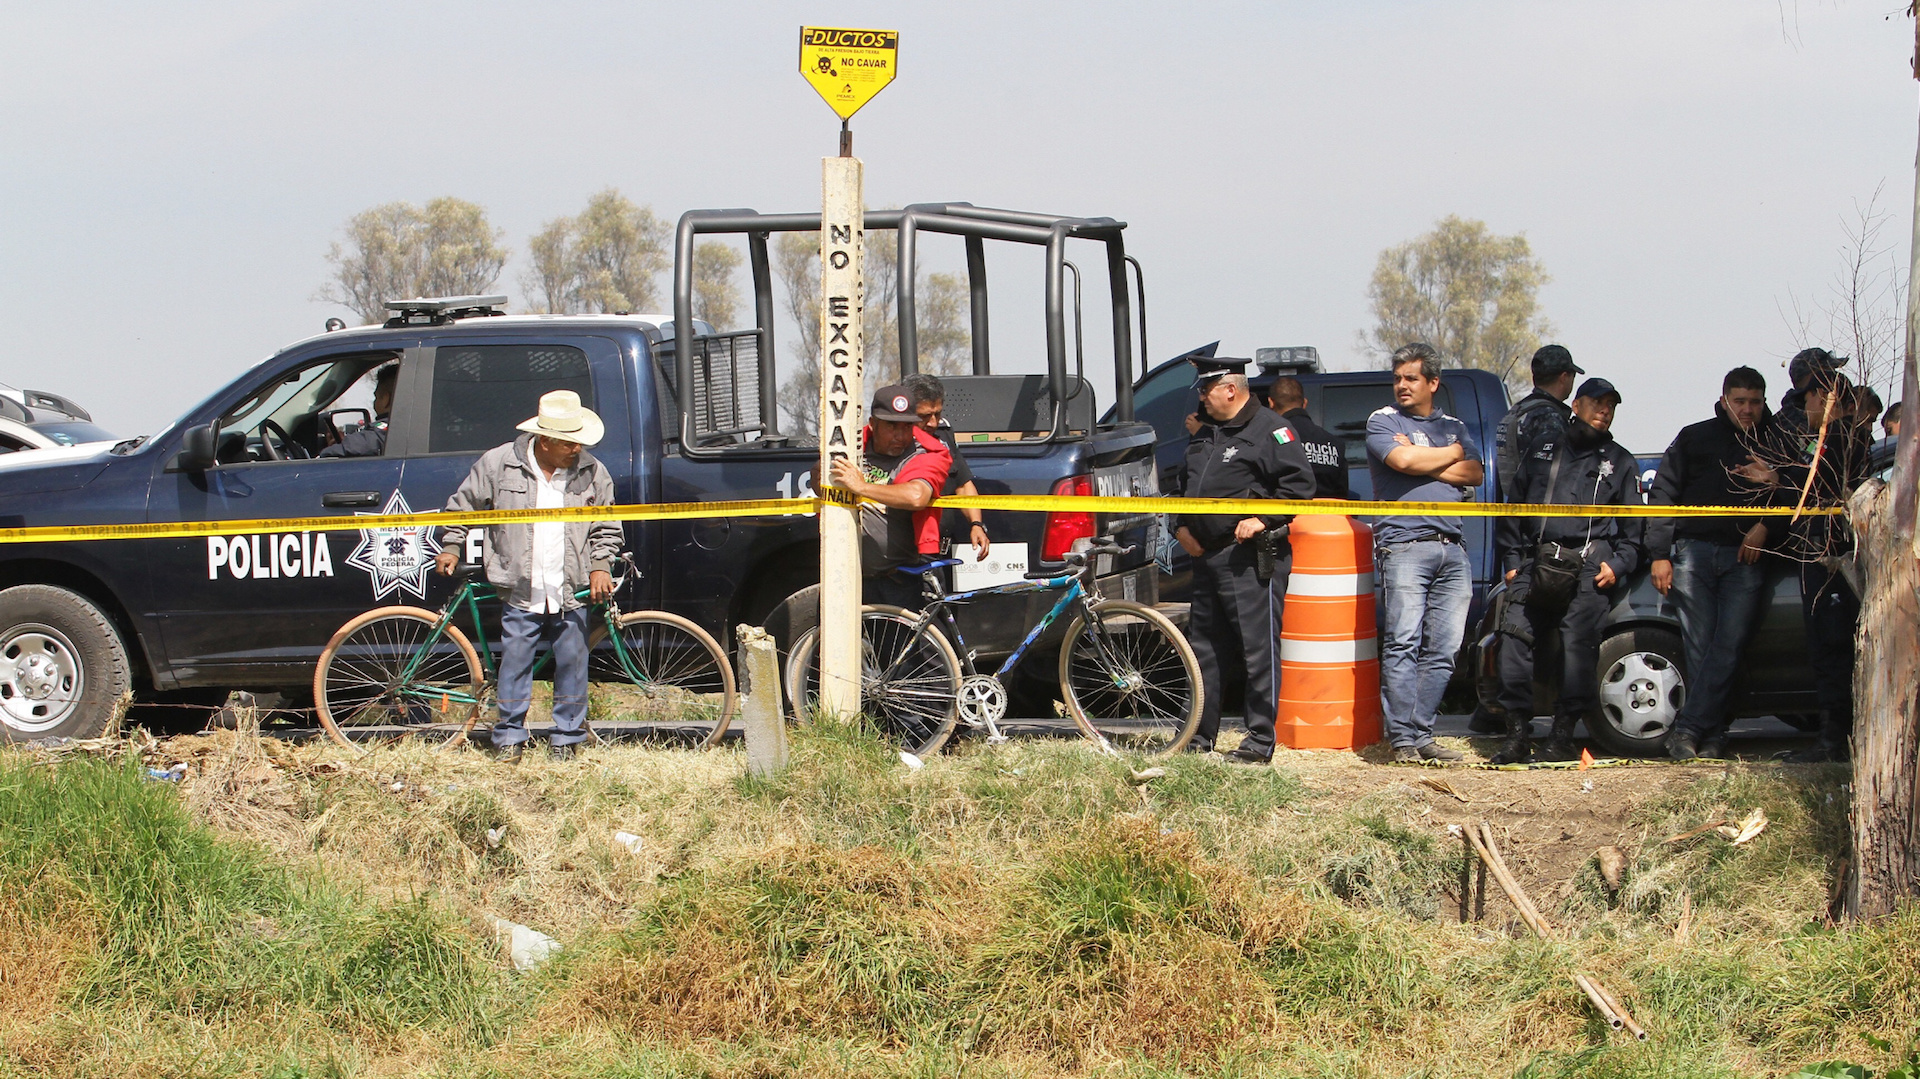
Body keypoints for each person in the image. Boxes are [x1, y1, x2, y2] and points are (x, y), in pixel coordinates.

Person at [433, 390, 620, 763]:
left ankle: (566, 739)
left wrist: (601, 564)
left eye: (579, 441)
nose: (576, 449)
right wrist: (452, 544)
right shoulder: (499, 464)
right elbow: (463, 505)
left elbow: (607, 525)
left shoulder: (593, 472)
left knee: (572, 663)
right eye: (568, 442)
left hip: (571, 587)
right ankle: (509, 738)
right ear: (545, 440)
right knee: (515, 662)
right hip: (520, 585)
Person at [1488, 378, 1643, 764]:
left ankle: (1562, 735)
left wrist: (1617, 565)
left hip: (1589, 566)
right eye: (1597, 402)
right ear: (1576, 405)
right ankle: (1517, 734)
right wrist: (1511, 563)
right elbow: (1513, 509)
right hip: (1537, 561)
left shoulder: (1620, 461)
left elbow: (1635, 531)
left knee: (1578, 646)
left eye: (1611, 405)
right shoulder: (1544, 449)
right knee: (1513, 638)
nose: (1604, 410)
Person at [1173, 356, 1317, 763]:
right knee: (1203, 651)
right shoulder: (1206, 432)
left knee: (1258, 652)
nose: (1202, 398)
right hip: (1206, 555)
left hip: (1249, 558)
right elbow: (1185, 486)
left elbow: (1299, 488)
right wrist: (1180, 527)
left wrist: (1262, 519)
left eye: (1207, 390)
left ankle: (1258, 742)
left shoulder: (1271, 430)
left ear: (1231, 390)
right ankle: (1197, 737)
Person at [1647, 367, 1782, 761]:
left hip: (1746, 558)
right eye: (1740, 401)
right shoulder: (1695, 436)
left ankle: (1689, 730)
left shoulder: (1777, 441)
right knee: (1702, 647)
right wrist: (1659, 554)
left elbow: (1798, 491)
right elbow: (1663, 494)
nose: (1748, 409)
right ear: (1724, 400)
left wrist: (1765, 526)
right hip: (1695, 552)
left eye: (1755, 402)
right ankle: (1714, 734)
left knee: (1730, 645)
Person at [1735, 367, 1869, 762]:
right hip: (1815, 556)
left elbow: (1816, 481)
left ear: (1823, 397)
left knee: (1833, 648)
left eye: (1806, 399)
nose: (1804, 409)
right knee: (1824, 648)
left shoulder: (1845, 438)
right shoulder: (1822, 441)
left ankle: (1834, 739)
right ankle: (1832, 734)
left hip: (1832, 559)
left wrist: (1776, 476)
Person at [1366, 343, 1485, 763]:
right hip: (1404, 544)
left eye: (1411, 378)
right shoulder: (1383, 420)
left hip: (1452, 547)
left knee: (1446, 648)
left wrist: (1427, 459)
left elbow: (1475, 472)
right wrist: (1449, 455)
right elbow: (1401, 460)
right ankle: (1402, 739)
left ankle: (1421, 734)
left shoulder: (1454, 425)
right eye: (1397, 378)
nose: (1402, 385)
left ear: (1433, 383)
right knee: (1403, 641)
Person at [828, 383, 952, 609]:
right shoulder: (849, 446)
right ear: (873, 424)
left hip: (897, 582)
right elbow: (821, 477)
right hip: (844, 576)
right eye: (892, 426)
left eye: (907, 427)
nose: (900, 435)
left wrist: (861, 487)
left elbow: (916, 496)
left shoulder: (928, 453)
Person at [899, 373, 990, 559]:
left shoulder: (944, 436)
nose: (933, 422)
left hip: (943, 551)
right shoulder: (895, 443)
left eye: (937, 414)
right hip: (908, 551)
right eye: (924, 416)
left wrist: (976, 524)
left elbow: (963, 485)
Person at [1494, 345, 1583, 501]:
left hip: (1514, 504)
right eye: (1572, 376)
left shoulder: (1517, 410)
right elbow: (1554, 475)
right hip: (1538, 507)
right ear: (1564, 377)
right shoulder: (1549, 417)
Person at [1264, 375, 1350, 499]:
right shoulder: (1335, 443)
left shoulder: (1270, 439)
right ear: (1304, 403)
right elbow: (1342, 493)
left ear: (1271, 403)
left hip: (1287, 510)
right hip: (1327, 511)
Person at [318, 363, 398, 458]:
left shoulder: (384, 433)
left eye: (376, 397)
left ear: (385, 399)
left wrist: (337, 447)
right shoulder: (405, 429)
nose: (374, 403)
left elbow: (329, 454)